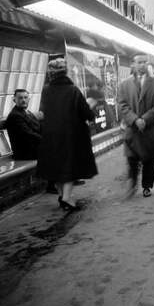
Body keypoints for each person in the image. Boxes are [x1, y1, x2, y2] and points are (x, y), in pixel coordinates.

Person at [37, 58, 97, 211]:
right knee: (70, 167)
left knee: (56, 167)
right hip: (72, 135)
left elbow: (43, 112)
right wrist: (91, 107)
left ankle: (61, 195)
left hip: (50, 135)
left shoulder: (46, 90)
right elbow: (86, 113)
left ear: (51, 74)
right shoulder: (73, 90)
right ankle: (66, 198)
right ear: (66, 72)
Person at [117, 54, 154, 198]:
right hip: (133, 129)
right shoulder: (124, 85)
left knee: (149, 160)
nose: (142, 65)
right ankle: (132, 183)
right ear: (133, 64)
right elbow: (122, 104)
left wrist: (144, 119)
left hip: (149, 128)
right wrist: (134, 119)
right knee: (132, 158)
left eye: (145, 62)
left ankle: (147, 186)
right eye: (139, 62)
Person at [5, 89, 42, 160]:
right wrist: (46, 140)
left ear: (29, 99)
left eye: (25, 97)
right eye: (20, 98)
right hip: (25, 153)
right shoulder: (15, 116)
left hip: (32, 149)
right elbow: (28, 134)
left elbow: (37, 129)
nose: (23, 100)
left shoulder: (26, 112)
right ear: (14, 100)